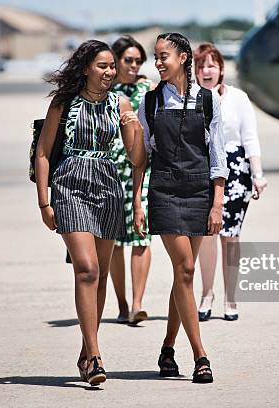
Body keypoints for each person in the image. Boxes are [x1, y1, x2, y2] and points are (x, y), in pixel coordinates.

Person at [35, 40, 145, 386]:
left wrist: (136, 127)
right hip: (69, 185)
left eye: (112, 66)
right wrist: (44, 201)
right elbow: (42, 152)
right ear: (85, 68)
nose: (110, 72)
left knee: (97, 276)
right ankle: (96, 356)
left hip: (108, 186)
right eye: (102, 66)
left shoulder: (120, 102)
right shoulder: (63, 102)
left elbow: (136, 158)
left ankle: (86, 350)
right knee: (87, 269)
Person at [133, 32, 229, 384]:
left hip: (199, 192)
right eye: (155, 57)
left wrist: (217, 203)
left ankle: (168, 346)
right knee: (186, 268)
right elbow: (141, 158)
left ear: (184, 58)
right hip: (165, 193)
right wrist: (138, 202)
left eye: (163, 56)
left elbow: (217, 155)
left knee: (181, 276)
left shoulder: (208, 101)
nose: (157, 63)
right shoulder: (151, 102)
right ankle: (201, 356)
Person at [193, 43, 267, 322]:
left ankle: (230, 297)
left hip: (236, 170)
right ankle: (207, 293)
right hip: (203, 169)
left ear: (221, 68)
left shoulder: (239, 98)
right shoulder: (193, 99)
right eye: (201, 66)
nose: (206, 70)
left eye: (211, 65)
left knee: (231, 235)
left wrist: (258, 174)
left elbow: (250, 138)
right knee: (206, 234)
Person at [109, 35, 155, 325]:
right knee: (113, 240)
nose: (134, 65)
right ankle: (122, 304)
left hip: (143, 167)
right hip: (111, 169)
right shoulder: (105, 89)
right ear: (115, 60)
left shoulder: (147, 88)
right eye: (129, 60)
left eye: (138, 60)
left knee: (142, 234)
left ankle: (138, 303)